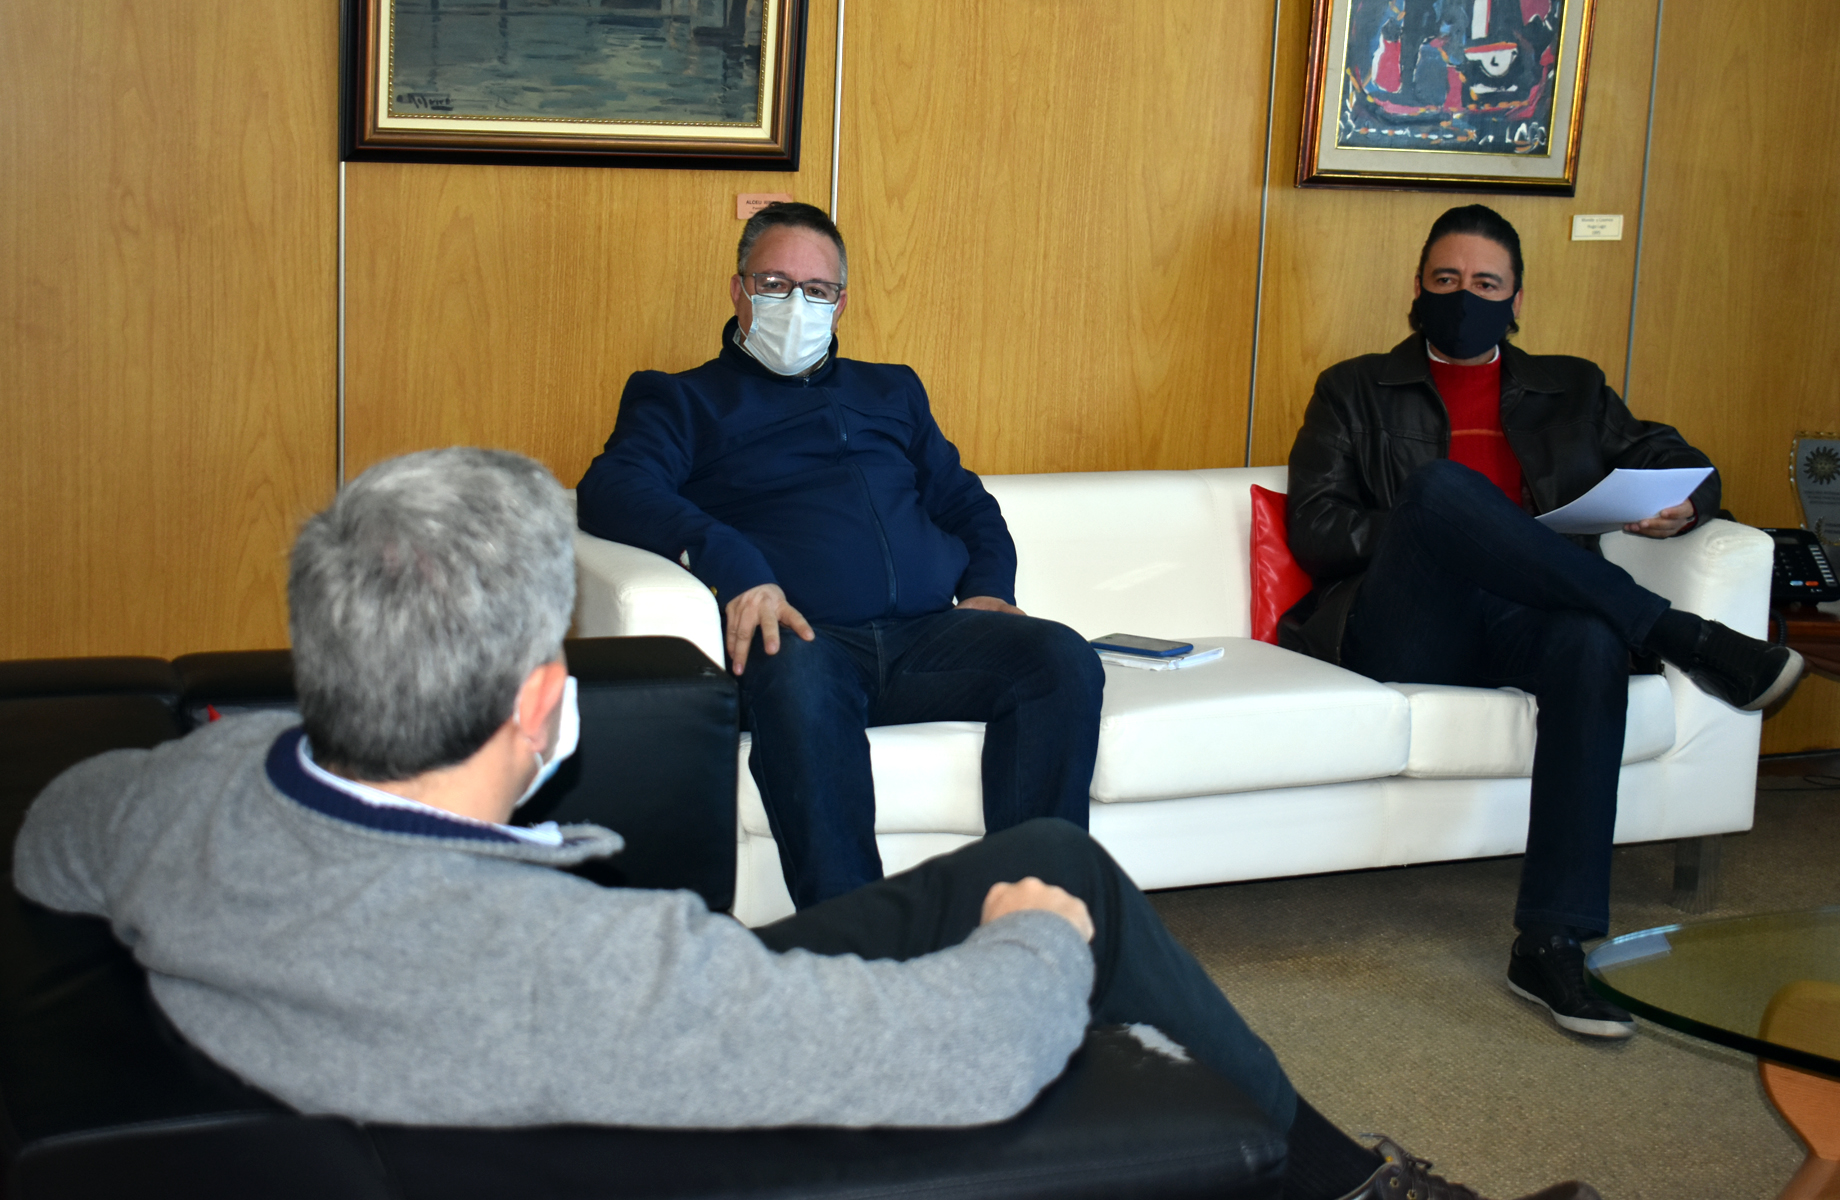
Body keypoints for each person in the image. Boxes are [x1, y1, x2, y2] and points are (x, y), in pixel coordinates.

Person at [14, 447, 1597, 1200]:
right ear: (538, 705)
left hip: (477, 987)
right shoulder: (602, 971)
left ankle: (1355, 1184)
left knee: (1051, 849)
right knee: (1060, 900)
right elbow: (966, 1055)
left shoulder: (184, 794)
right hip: (645, 1062)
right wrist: (1038, 951)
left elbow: (50, 834)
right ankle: (1352, 1195)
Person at [1282, 204, 1804, 1040]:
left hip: (1527, 618)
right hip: (1409, 624)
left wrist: (1686, 503)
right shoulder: (1354, 388)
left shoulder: (1573, 388)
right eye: (1446, 279)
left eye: (1486, 284)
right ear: (1417, 286)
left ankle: (1552, 940)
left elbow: (1677, 458)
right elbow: (1316, 528)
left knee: (1591, 640)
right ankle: (1681, 637)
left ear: (1516, 299)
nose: (1464, 296)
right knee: (1442, 492)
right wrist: (1443, 528)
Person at [576, 202, 1103, 910]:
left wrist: (987, 589)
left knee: (1059, 656)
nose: (796, 303)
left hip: (928, 638)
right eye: (774, 283)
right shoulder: (683, 400)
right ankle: (853, 934)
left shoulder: (892, 390)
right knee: (793, 668)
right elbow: (612, 489)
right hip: (805, 638)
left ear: (841, 303)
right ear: (738, 290)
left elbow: (965, 503)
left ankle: (1037, 911)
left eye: (817, 289)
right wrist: (736, 567)